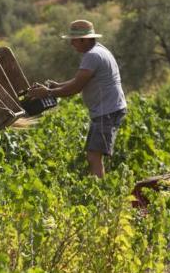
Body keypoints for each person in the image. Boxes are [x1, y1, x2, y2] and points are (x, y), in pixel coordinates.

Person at [27, 20, 127, 178]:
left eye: (74, 40)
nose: (72, 44)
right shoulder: (100, 51)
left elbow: (75, 88)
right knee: (93, 154)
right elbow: (78, 80)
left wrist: (47, 93)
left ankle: (101, 194)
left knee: (94, 155)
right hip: (109, 108)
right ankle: (101, 189)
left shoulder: (92, 56)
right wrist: (55, 86)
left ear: (85, 39)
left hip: (106, 110)